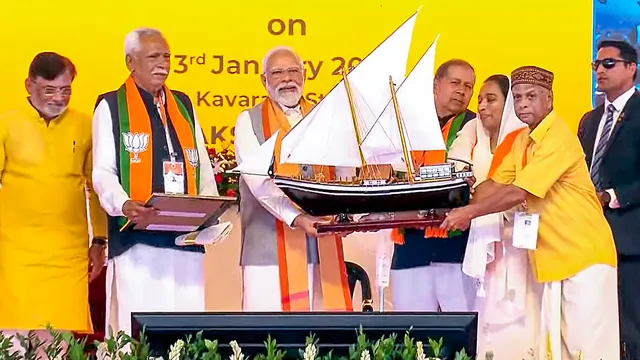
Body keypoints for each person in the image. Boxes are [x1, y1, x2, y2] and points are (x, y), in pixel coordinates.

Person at [441, 65, 619, 360]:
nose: (523, 103)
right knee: (559, 351)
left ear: (549, 99)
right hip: (554, 260)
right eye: (519, 97)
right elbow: (495, 184)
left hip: (585, 257)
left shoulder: (557, 136)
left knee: (590, 350)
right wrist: (452, 202)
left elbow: (517, 192)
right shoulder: (523, 140)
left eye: (532, 96)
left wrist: (468, 213)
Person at [92, 27, 218, 335]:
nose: (162, 63)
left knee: (185, 329)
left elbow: (199, 162)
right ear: (130, 62)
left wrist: (210, 209)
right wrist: (123, 204)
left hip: (184, 240)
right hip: (138, 240)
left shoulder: (183, 104)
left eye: (166, 56)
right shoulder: (110, 106)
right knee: (140, 328)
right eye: (153, 57)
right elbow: (102, 171)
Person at [0, 52, 108, 357]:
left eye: (66, 90)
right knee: (14, 348)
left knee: (57, 349)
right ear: (28, 85)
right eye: (50, 90)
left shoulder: (85, 126)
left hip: (66, 256)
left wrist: (99, 240)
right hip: (13, 256)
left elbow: (95, 189)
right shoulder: (6, 124)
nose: (59, 98)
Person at [234, 46, 353, 311]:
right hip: (268, 253)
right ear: (264, 80)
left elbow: (344, 171)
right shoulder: (248, 121)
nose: (287, 78)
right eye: (277, 72)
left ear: (304, 75)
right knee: (269, 341)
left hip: (322, 247)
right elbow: (258, 182)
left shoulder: (326, 115)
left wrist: (346, 215)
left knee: (321, 342)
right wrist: (298, 218)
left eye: (293, 71)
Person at [447, 75, 541, 359]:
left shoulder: (525, 139)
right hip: (483, 240)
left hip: (518, 241)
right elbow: (455, 167)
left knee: (518, 317)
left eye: (491, 99)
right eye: (481, 100)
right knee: (486, 314)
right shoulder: (473, 132)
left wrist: (475, 206)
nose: (483, 106)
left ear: (509, 104)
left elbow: (521, 190)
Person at [389, 59, 477, 311]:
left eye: (468, 86)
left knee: (461, 332)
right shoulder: (405, 123)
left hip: (456, 246)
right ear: (436, 85)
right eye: (455, 83)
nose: (462, 91)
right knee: (412, 334)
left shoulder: (476, 126)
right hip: (410, 245)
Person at [578, 39, 640, 360]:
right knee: (597, 326)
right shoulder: (590, 120)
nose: (599, 70)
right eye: (596, 65)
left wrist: (612, 196)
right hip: (588, 240)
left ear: (632, 68)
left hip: (630, 239)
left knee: (633, 326)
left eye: (608, 64)